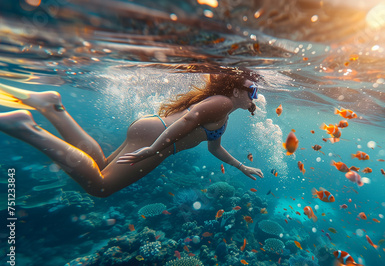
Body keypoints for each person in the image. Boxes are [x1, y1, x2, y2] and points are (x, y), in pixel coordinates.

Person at [0, 71, 264, 197]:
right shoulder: (224, 102)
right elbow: (190, 118)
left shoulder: (224, 110)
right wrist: (154, 149)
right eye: (253, 89)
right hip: (158, 139)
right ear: (237, 89)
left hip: (153, 131)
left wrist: (241, 167)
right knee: (100, 186)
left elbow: (214, 147)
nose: (256, 95)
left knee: (100, 165)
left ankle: (53, 108)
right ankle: (26, 127)